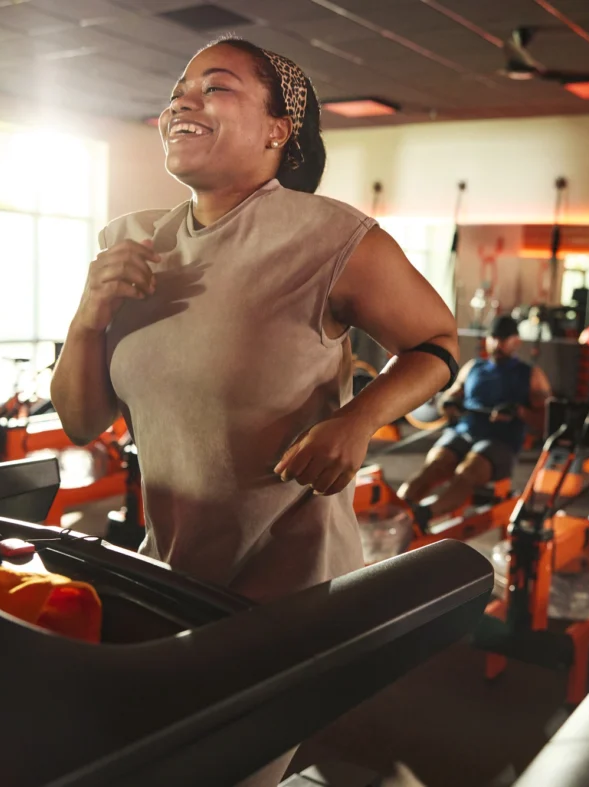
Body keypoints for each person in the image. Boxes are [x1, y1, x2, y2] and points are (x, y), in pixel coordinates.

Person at [49, 39, 458, 637]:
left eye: (214, 87)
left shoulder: (330, 238)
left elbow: (437, 342)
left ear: (277, 130)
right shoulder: (133, 240)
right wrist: (87, 318)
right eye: (177, 93)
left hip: (291, 586)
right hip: (170, 568)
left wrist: (358, 420)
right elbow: (81, 422)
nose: (183, 102)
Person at [397, 316, 552, 526]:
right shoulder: (473, 367)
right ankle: (398, 509)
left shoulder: (531, 375)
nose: (497, 344)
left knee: (467, 472)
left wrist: (520, 412)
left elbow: (547, 421)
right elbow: (448, 399)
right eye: (493, 338)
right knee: (435, 464)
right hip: (464, 432)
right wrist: (450, 404)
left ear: (516, 341)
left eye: (503, 339)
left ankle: (423, 516)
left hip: (500, 442)